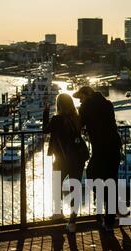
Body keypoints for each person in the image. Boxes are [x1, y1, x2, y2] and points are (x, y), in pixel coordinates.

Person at [73, 86, 122, 231]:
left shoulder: (86, 107)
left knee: (92, 175)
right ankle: (109, 221)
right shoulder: (108, 104)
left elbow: (78, 126)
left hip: (100, 149)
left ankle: (101, 210)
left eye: (81, 98)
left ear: (86, 96)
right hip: (114, 147)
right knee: (111, 181)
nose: (80, 101)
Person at [43, 93, 88, 233]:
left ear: (59, 105)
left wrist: (45, 111)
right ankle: (73, 221)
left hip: (61, 158)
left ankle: (58, 212)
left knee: (57, 185)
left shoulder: (57, 119)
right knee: (75, 188)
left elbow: (45, 129)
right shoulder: (77, 118)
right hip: (78, 158)